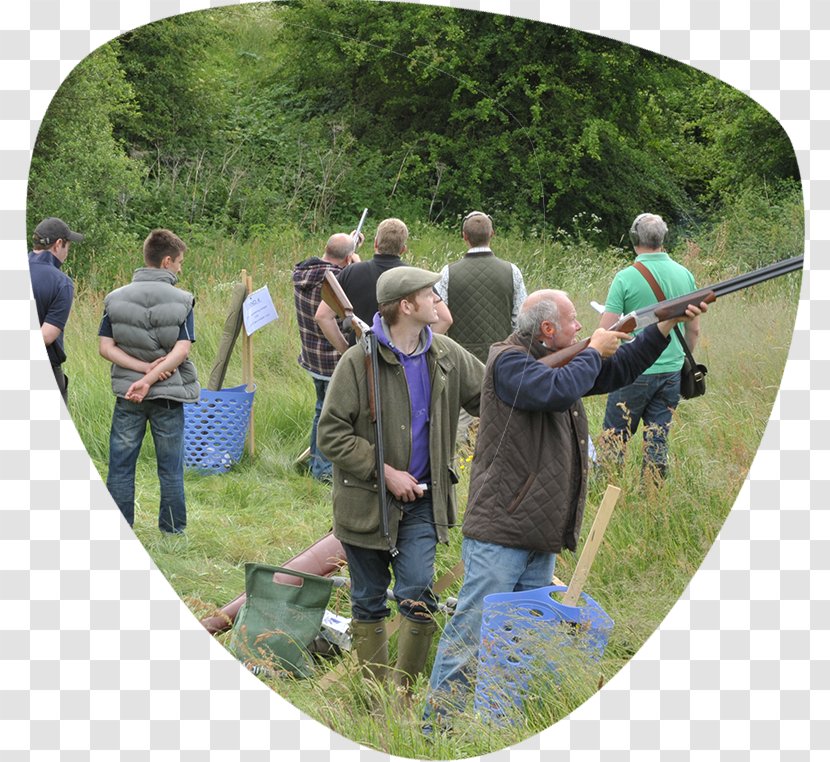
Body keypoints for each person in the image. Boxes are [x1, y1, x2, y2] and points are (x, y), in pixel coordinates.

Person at [423, 288, 707, 726]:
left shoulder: (562, 360)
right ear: (548, 329)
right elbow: (553, 390)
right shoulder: (508, 362)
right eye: (574, 320)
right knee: (473, 631)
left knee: (521, 638)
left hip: (540, 529)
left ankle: (499, 725)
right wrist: (592, 350)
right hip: (503, 529)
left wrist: (664, 325)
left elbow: (619, 370)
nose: (581, 326)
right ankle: (435, 725)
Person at [317, 266, 484, 694]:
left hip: (425, 501)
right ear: (407, 306)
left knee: (416, 594)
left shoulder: (446, 354)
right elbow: (331, 434)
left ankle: (404, 694)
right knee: (368, 600)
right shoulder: (358, 361)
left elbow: (493, 396)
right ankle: (375, 701)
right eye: (430, 295)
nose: (438, 302)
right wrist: (385, 472)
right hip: (365, 503)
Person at [98, 229, 200, 534]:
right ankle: (172, 529)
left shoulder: (114, 298)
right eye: (180, 262)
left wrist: (141, 373)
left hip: (128, 394)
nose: (181, 268)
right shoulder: (183, 299)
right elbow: (182, 351)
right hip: (167, 396)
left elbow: (106, 348)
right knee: (170, 468)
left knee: (120, 466)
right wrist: (153, 375)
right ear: (167, 261)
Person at [598, 213, 701, 480]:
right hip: (670, 373)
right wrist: (679, 360)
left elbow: (606, 331)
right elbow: (694, 330)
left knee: (614, 440)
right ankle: (653, 498)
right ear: (663, 238)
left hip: (632, 371)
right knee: (657, 441)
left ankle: (607, 491)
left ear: (634, 239)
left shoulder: (625, 278)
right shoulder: (685, 275)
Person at [435, 210, 526, 443]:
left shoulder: (448, 273)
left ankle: (464, 469)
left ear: (464, 236)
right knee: (503, 420)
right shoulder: (511, 271)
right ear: (492, 234)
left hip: (461, 360)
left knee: (463, 427)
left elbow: (438, 317)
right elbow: (521, 321)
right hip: (502, 361)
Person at [314, 217, 452, 353]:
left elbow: (322, 316)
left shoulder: (350, 272)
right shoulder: (414, 278)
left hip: (362, 357)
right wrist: (419, 350)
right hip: (400, 361)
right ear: (403, 249)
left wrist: (346, 351)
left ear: (375, 243)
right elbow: (445, 319)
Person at [292, 231, 362, 482]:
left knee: (320, 411)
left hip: (312, 357)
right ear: (345, 260)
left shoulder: (302, 272)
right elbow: (346, 283)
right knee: (330, 416)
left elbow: (335, 263)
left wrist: (349, 252)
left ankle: (316, 464)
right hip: (332, 359)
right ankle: (323, 471)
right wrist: (346, 349)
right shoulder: (335, 280)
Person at [28, 217, 84, 403]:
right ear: (58, 244)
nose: (67, 252)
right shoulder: (61, 283)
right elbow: (46, 336)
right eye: (68, 245)